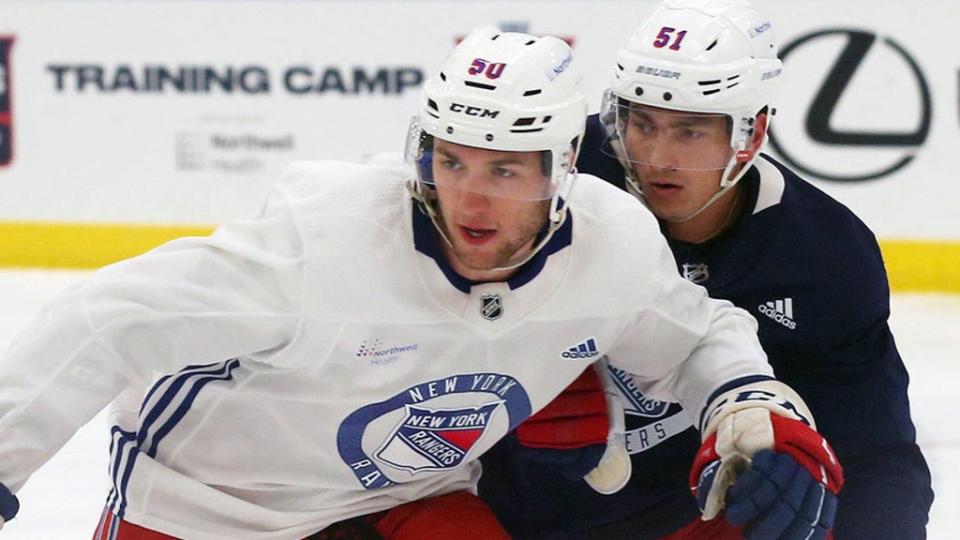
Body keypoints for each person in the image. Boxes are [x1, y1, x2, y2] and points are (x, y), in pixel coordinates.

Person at [0, 26, 839, 539]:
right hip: (215, 506)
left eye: (507, 170)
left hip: (410, 495)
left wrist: (750, 406)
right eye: (452, 161)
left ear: (563, 170)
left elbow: (695, 336)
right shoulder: (324, 241)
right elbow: (107, 318)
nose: (469, 197)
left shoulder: (612, 245)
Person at [478, 1, 933, 539]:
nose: (658, 158)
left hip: (685, 520)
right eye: (641, 125)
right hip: (502, 511)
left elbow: (875, 451)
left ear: (752, 134)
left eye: (690, 132)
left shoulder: (826, 254)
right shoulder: (553, 179)